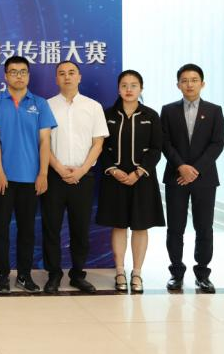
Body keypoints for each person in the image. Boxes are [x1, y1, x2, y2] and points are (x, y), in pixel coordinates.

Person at [0, 55, 57, 294]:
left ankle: (24, 275)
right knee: (1, 229)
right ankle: (3, 275)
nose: (19, 76)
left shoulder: (40, 104)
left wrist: (43, 173)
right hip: (1, 178)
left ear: (28, 75)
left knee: (27, 230)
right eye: (13, 72)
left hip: (31, 178)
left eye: (23, 71)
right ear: (6, 76)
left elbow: (45, 141)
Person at [42, 61, 109, 294]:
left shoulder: (93, 107)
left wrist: (81, 170)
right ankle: (53, 274)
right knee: (51, 228)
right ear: (56, 79)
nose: (67, 77)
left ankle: (78, 274)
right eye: (62, 73)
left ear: (79, 77)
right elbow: (43, 142)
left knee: (80, 228)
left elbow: (98, 143)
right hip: (54, 176)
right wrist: (59, 168)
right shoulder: (46, 106)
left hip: (84, 176)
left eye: (71, 73)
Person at [96, 70, 164, 294]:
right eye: (124, 85)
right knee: (119, 225)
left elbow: (156, 149)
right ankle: (119, 271)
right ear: (118, 89)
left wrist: (138, 172)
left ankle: (137, 272)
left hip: (142, 179)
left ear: (141, 88)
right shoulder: (107, 115)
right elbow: (99, 147)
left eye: (134, 85)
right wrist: (113, 170)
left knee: (140, 225)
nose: (129, 89)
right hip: (114, 179)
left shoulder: (151, 115)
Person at [162, 64, 224, 293]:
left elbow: (217, 144)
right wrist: (181, 167)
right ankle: (176, 273)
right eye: (185, 80)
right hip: (176, 177)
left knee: (204, 227)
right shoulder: (168, 110)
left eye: (194, 80)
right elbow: (164, 142)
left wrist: (194, 170)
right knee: (175, 228)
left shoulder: (214, 110)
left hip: (204, 179)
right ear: (178, 84)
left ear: (202, 83)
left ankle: (203, 274)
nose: (189, 84)